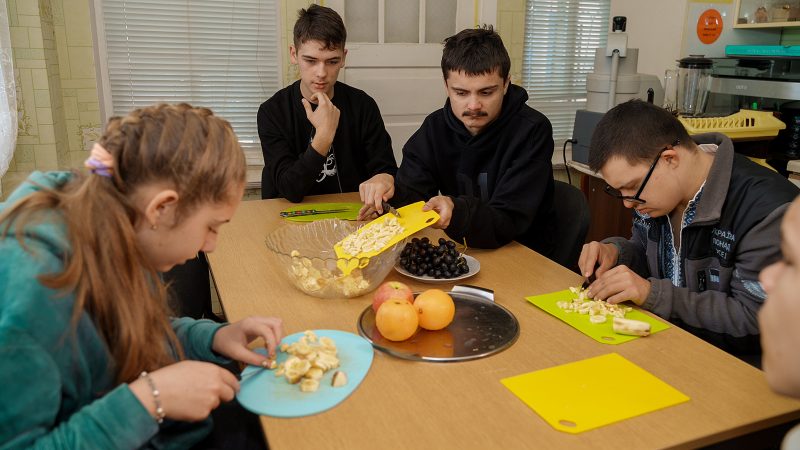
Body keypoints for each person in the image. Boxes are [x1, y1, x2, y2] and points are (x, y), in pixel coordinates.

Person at [0, 104, 283, 449]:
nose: (210, 245)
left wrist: (213, 338)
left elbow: (133, 334)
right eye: (211, 227)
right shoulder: (31, 300)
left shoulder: (115, 224)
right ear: (161, 208)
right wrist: (150, 399)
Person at [579, 99, 799, 361]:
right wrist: (616, 253)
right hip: (671, 347)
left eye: (632, 187)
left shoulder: (768, 212)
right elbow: (646, 254)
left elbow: (755, 323)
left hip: (740, 370)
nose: (628, 203)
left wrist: (653, 295)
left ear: (669, 159)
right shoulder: (657, 197)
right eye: (620, 192)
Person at [365, 26, 555, 254]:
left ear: (506, 84)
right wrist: (390, 189)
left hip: (523, 251)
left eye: (486, 92)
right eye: (461, 93)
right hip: (466, 248)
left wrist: (456, 210)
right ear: (446, 86)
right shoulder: (435, 127)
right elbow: (413, 199)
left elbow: (508, 220)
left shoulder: (532, 131)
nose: (473, 106)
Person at [257, 4, 397, 211]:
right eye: (311, 61)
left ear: (344, 57)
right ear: (294, 54)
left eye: (332, 61)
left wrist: (385, 179)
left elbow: (386, 168)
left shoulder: (363, 106)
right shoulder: (272, 111)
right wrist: (324, 136)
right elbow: (289, 189)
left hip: (353, 215)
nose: (321, 73)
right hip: (289, 216)